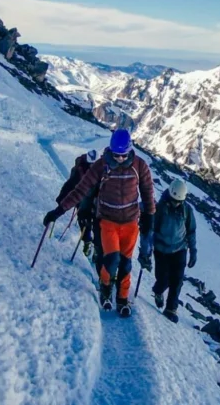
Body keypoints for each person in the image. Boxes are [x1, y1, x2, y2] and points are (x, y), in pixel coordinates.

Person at [43, 129, 155, 318]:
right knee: (111, 260)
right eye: (117, 155)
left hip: (130, 223)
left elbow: (147, 192)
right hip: (108, 221)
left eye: (123, 155)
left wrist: (149, 216)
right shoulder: (101, 166)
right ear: (111, 150)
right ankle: (105, 287)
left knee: (126, 264)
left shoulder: (139, 166)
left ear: (129, 150)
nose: (120, 159)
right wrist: (59, 211)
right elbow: (81, 190)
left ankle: (122, 299)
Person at [139, 178, 196, 323]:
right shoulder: (160, 208)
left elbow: (191, 231)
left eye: (179, 202)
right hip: (161, 249)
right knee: (163, 278)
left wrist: (193, 251)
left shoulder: (186, 210)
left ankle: (171, 308)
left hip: (179, 249)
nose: (176, 203)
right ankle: (158, 291)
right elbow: (151, 230)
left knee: (177, 280)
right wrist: (146, 252)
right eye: (174, 200)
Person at [55, 150, 98, 258]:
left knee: (98, 223)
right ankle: (88, 241)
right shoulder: (79, 170)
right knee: (84, 220)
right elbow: (70, 184)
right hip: (82, 199)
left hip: (96, 199)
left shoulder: (101, 169)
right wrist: (62, 199)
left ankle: (97, 246)